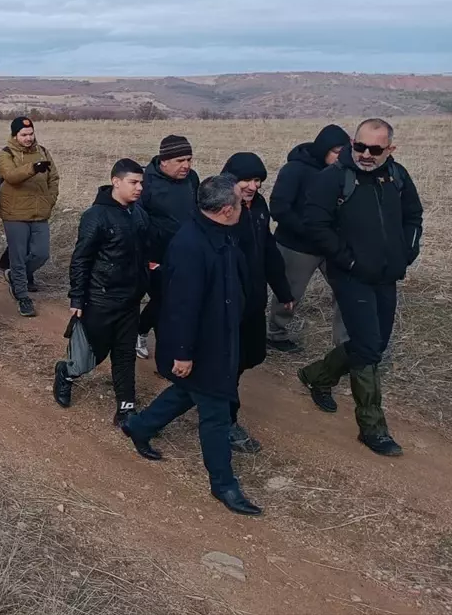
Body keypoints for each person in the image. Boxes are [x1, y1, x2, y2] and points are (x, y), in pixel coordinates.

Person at [120, 175, 262, 518]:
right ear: (226, 209)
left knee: (187, 392)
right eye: (240, 204)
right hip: (201, 343)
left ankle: (138, 427)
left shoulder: (220, 233)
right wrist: (182, 353)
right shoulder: (190, 244)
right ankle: (223, 484)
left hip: (220, 335)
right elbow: (181, 305)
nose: (245, 208)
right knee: (215, 413)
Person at [297, 119, 423, 457]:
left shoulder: (398, 177)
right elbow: (316, 224)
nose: (366, 154)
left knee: (375, 343)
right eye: (360, 146)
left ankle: (317, 376)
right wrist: (348, 261)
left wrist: (407, 253)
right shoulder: (333, 178)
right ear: (353, 143)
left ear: (390, 150)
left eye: (375, 149)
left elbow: (414, 215)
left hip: (387, 274)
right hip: (350, 276)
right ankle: (372, 427)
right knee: (368, 348)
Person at [54, 158, 150, 425]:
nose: (139, 188)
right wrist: (77, 297)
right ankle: (66, 372)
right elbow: (81, 259)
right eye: (133, 182)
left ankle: (125, 409)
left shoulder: (139, 214)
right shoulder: (95, 216)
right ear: (115, 182)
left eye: (141, 182)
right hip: (100, 299)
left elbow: (143, 253)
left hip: (130, 301)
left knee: (125, 354)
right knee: (89, 358)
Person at [221, 152, 295, 454]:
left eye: (257, 181)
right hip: (227, 301)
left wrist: (284, 290)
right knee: (229, 361)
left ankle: (206, 394)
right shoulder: (219, 207)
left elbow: (268, 251)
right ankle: (226, 420)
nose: (252, 186)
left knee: (252, 355)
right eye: (246, 180)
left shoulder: (259, 207)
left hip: (254, 298)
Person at [265, 124, 352, 352]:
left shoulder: (345, 172)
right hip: (297, 246)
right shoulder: (295, 169)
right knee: (289, 294)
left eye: (345, 151)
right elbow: (279, 208)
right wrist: (311, 231)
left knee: (346, 291)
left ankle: (346, 345)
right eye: (336, 151)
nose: (340, 156)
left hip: (332, 245)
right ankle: (275, 334)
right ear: (323, 149)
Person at [137, 135, 200, 359]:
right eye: (180, 160)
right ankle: (147, 336)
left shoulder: (192, 179)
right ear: (164, 161)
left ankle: (148, 333)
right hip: (155, 253)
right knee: (164, 300)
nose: (187, 165)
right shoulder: (146, 182)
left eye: (189, 159)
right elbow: (137, 219)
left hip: (185, 253)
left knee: (178, 300)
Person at [0, 117, 59, 317]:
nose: (28, 138)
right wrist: (33, 168)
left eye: (31, 134)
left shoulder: (43, 151)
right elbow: (11, 176)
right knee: (18, 256)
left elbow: (54, 178)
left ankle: (14, 276)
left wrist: (50, 199)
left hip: (40, 212)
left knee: (41, 253)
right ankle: (22, 296)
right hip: (15, 214)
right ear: (15, 135)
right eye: (23, 135)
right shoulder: (5, 154)